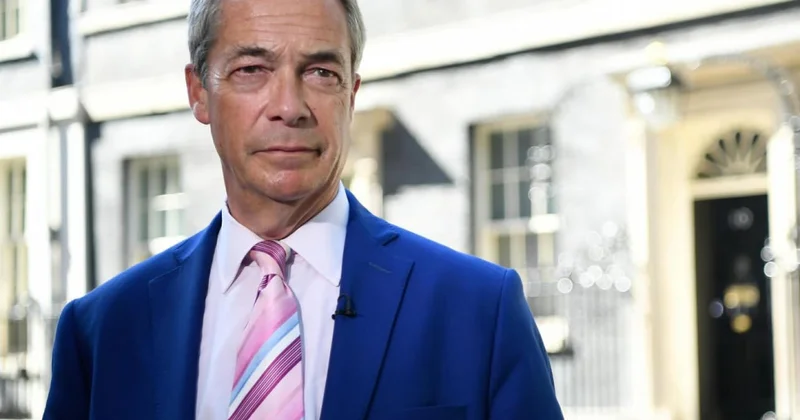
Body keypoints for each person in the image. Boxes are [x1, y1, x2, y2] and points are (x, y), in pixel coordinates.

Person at [43, 0, 563, 418]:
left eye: (320, 72)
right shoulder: (101, 332)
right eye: (251, 69)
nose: (289, 107)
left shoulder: (481, 312)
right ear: (199, 92)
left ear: (351, 95)